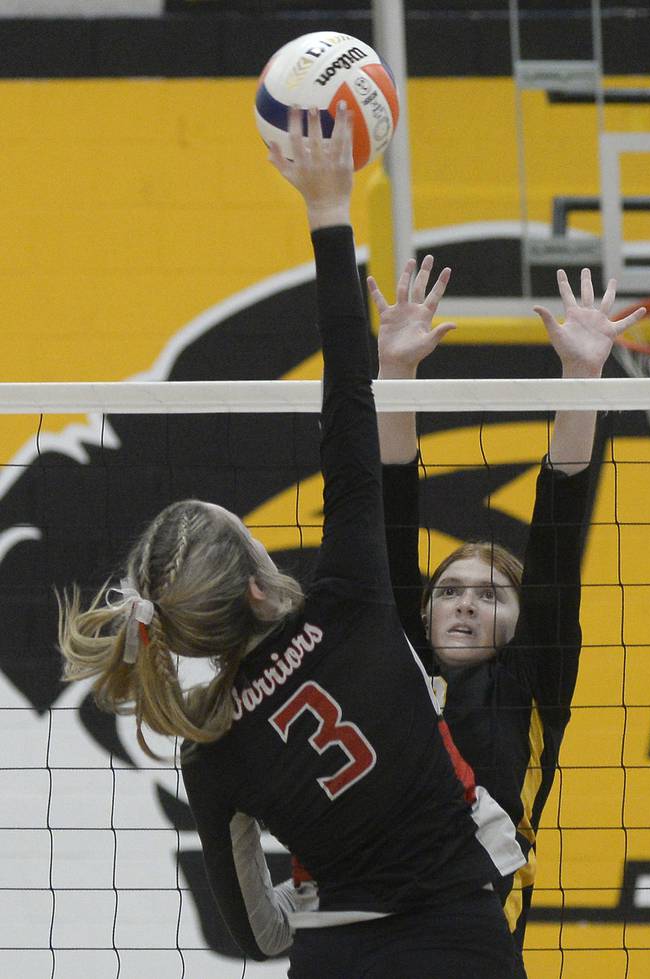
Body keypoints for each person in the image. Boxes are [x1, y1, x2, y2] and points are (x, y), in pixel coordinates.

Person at [57, 103, 525, 979]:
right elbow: (346, 402)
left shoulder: (211, 750)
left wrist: (320, 903)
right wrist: (329, 208)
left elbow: (256, 935)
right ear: (258, 587)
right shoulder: (348, 602)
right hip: (460, 939)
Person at [369, 256, 645, 971]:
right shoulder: (407, 662)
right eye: (450, 589)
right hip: (376, 926)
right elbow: (393, 509)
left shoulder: (530, 677)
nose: (463, 600)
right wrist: (394, 373)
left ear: (520, 621)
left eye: (490, 594)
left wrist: (581, 377)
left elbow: (559, 521)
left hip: (475, 934)